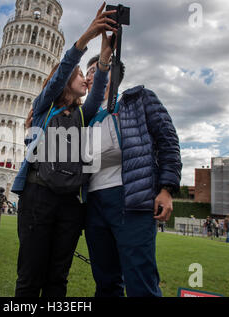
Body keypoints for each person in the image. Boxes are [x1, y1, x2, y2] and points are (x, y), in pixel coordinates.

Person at [11, 3, 117, 297]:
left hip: (71, 202)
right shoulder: (43, 107)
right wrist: (87, 36)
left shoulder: (83, 115)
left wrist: (105, 54)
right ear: (66, 78)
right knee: (31, 275)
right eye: (80, 73)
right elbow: (59, 76)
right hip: (38, 195)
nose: (86, 78)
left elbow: (98, 91)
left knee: (58, 277)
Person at [81, 42, 181, 297]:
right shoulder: (84, 117)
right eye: (88, 71)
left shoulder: (138, 99)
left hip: (131, 198)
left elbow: (168, 140)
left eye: (96, 69)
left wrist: (167, 189)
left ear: (112, 72)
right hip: (94, 202)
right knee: (105, 281)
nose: (90, 76)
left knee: (140, 281)